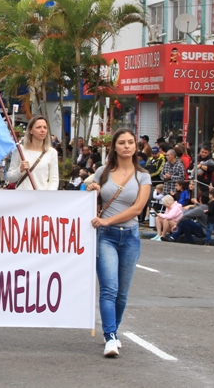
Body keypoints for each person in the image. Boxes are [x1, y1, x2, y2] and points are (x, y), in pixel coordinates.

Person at [85, 129, 150, 358]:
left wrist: (107, 219)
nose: (127, 146)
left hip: (130, 236)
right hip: (106, 236)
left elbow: (138, 208)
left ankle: (113, 329)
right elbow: (87, 195)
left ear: (135, 146)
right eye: (122, 142)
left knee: (122, 292)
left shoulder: (143, 176)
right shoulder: (102, 172)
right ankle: (111, 336)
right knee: (109, 289)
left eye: (130, 142)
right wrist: (92, 189)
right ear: (114, 146)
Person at [5, 116, 59, 191]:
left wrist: (48, 194)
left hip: (41, 196)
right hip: (22, 195)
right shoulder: (19, 150)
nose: (42, 130)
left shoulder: (51, 152)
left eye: (45, 127)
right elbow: (10, 177)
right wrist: (20, 170)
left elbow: (54, 179)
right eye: (38, 127)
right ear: (30, 130)